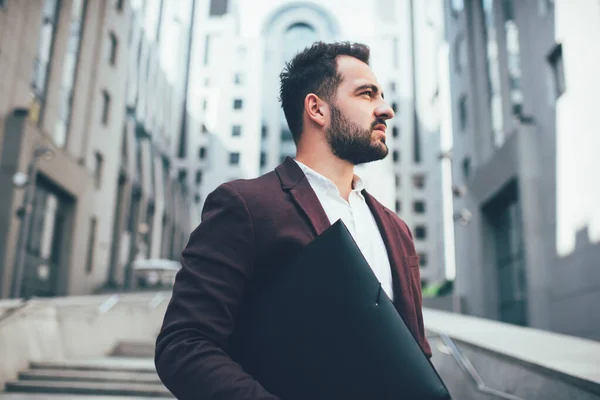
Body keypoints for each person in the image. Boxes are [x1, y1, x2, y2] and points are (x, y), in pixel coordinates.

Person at [155, 41, 431, 400]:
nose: (386, 109)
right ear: (317, 108)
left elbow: (416, 352)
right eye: (366, 94)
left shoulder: (397, 228)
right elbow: (184, 345)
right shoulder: (246, 206)